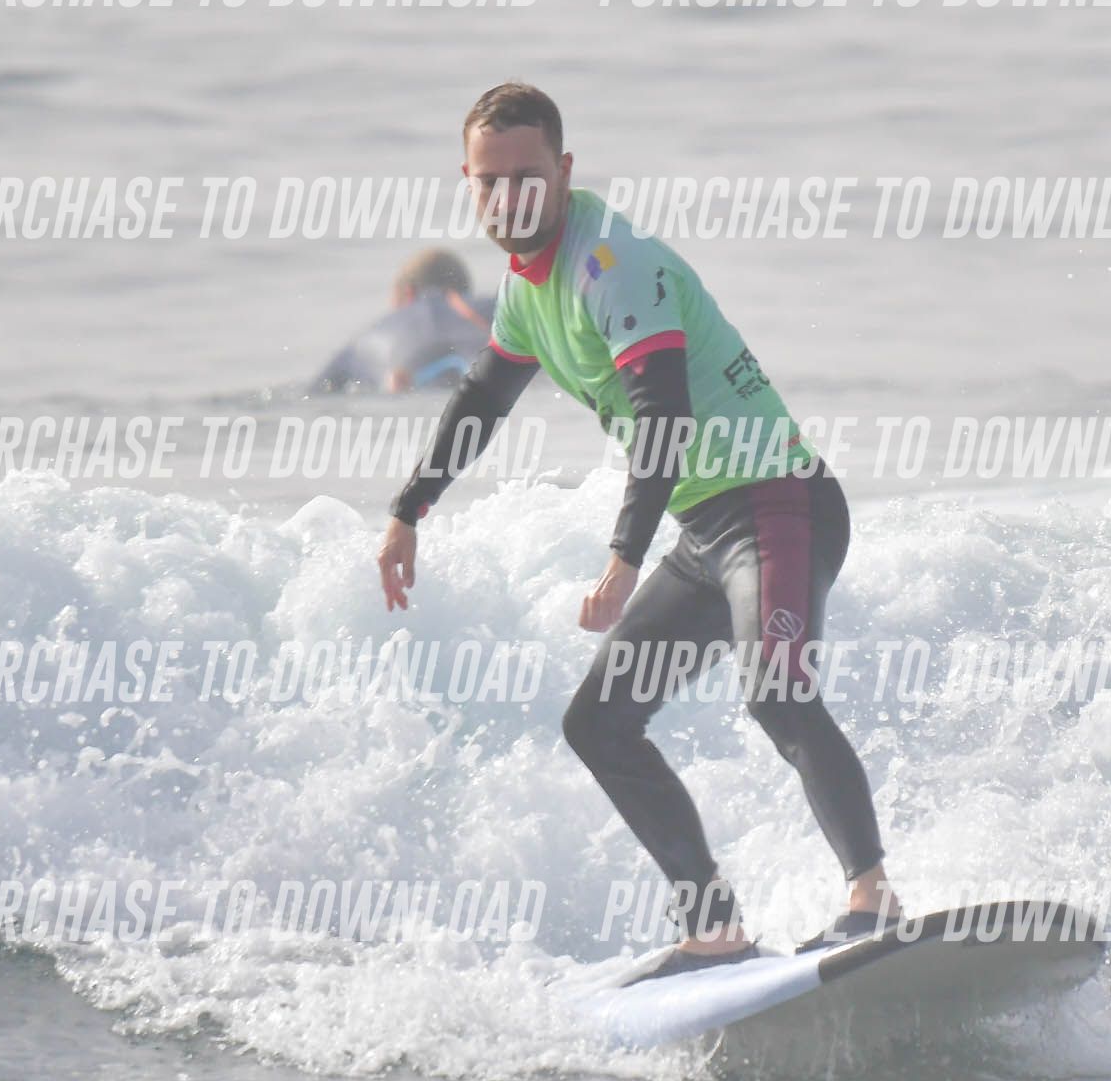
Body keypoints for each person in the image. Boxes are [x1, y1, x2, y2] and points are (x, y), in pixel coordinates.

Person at [377, 82, 901, 979]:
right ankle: (714, 928)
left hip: (779, 501)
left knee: (776, 690)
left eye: (528, 178)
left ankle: (871, 896)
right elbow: (482, 401)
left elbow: (663, 418)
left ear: (563, 171)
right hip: (709, 529)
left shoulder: (611, 263)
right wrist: (406, 510)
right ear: (469, 184)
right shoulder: (527, 288)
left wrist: (622, 560)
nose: (510, 199)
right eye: (490, 182)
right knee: (601, 723)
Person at [311, 248, 498, 393]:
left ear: (408, 293)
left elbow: (316, 394)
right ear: (466, 292)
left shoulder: (367, 339)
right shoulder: (493, 308)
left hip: (405, 386)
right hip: (490, 375)